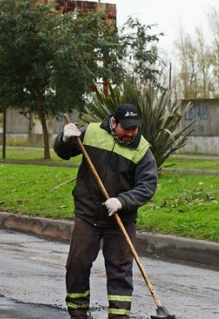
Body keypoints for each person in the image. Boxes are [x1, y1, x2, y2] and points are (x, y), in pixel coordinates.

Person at [53, 103, 158, 319]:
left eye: (134, 129)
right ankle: (78, 312)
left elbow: (147, 185)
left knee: (120, 271)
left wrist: (123, 201)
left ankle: (119, 316)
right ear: (113, 123)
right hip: (87, 214)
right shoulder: (90, 133)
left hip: (120, 219)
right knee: (77, 264)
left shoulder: (142, 150)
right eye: (126, 128)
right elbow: (64, 153)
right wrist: (63, 139)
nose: (131, 133)